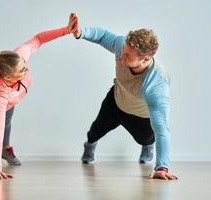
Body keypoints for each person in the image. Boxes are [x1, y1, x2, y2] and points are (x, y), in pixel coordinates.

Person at [0, 14, 78, 179]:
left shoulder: (17, 59)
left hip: (10, 103)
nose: (26, 70)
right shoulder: (0, 97)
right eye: (22, 71)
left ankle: (6, 150)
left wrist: (66, 30)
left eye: (24, 66)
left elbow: (38, 39)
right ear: (8, 79)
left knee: (7, 123)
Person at [71, 14, 178, 180]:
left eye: (128, 56)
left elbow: (162, 129)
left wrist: (162, 167)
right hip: (116, 100)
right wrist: (80, 33)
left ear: (146, 58)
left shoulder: (157, 84)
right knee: (95, 130)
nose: (122, 56)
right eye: (124, 51)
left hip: (140, 115)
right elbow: (103, 36)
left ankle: (147, 146)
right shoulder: (122, 46)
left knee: (147, 138)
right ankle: (90, 144)